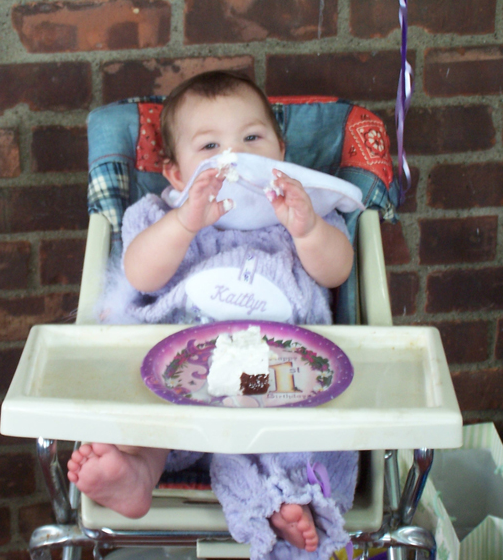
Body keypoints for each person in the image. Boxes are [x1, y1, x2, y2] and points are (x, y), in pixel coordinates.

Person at [67, 71, 359, 560]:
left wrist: (307, 231)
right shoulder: (160, 215)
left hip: (274, 377)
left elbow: (336, 272)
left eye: (251, 138)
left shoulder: (301, 211)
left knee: (290, 436)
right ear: (176, 174)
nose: (235, 157)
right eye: (210, 147)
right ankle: (138, 472)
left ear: (281, 151)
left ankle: (283, 499)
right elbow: (139, 275)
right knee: (145, 419)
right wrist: (183, 223)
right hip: (179, 376)